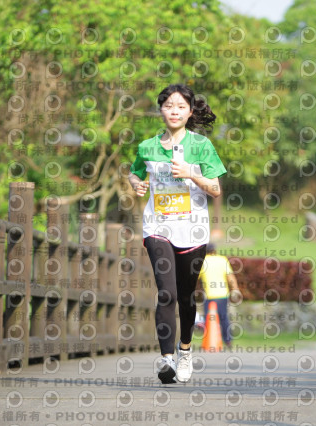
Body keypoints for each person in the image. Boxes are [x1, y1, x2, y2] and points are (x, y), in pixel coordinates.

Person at [128, 84, 226, 384]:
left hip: (193, 229)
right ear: (161, 110)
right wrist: (135, 183)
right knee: (166, 292)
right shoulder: (147, 146)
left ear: (190, 112)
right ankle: (166, 358)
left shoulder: (201, 146)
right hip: (157, 226)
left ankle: (185, 350)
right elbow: (134, 172)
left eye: (181, 106)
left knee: (185, 296)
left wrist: (191, 174)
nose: (174, 111)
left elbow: (215, 188)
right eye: (169, 105)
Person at [198, 243, 241, 349]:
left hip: (209, 295)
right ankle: (228, 340)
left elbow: (195, 278)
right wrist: (235, 289)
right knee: (223, 318)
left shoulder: (203, 261)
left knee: (208, 318)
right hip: (222, 294)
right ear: (215, 250)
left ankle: (208, 341)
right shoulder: (222, 260)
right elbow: (230, 277)